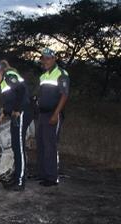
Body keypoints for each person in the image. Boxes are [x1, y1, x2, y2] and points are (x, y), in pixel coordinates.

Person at [0, 60, 33, 191]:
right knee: (15, 146)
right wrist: (3, 113)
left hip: (22, 113)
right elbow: (10, 98)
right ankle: (16, 177)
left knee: (19, 147)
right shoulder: (4, 81)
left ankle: (20, 181)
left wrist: (18, 110)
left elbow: (22, 91)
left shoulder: (9, 76)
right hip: (15, 115)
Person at [36, 48, 70, 186]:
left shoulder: (61, 74)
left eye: (49, 58)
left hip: (53, 114)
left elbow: (64, 95)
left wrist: (56, 114)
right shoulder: (43, 76)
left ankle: (52, 177)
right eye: (44, 58)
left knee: (51, 145)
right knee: (42, 144)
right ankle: (43, 174)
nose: (46, 60)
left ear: (54, 59)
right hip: (42, 114)